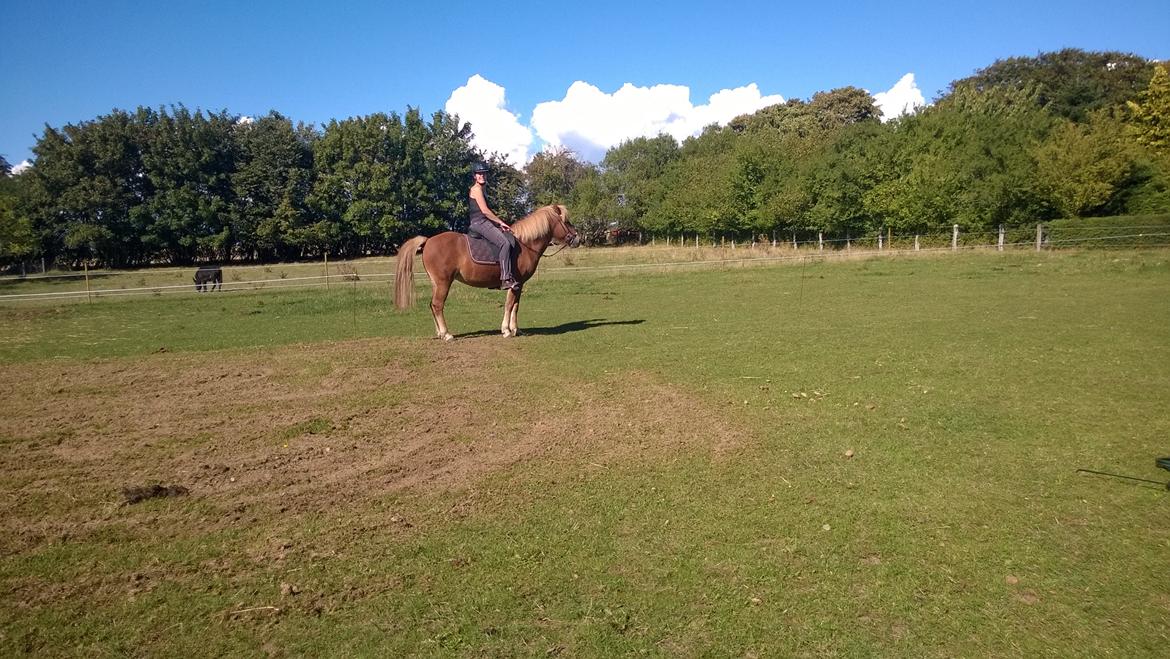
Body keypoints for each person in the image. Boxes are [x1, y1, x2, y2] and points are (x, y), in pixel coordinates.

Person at [468, 162, 520, 291]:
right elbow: (485, 211)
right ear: (475, 176)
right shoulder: (476, 189)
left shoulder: (483, 189)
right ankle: (505, 279)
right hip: (479, 223)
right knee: (504, 243)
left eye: (484, 173)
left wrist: (497, 225)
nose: (482, 176)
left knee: (505, 238)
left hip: (483, 222)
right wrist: (500, 222)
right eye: (479, 173)